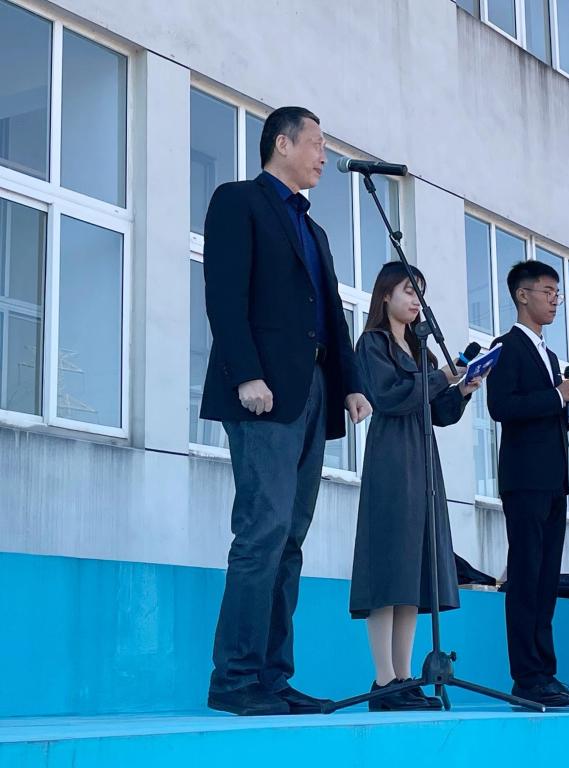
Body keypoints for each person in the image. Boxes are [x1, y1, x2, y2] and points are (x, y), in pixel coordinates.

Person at [201, 106, 373, 716]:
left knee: (291, 540)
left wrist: (350, 384)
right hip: (264, 392)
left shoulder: (313, 229)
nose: (325, 155)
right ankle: (235, 680)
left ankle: (274, 678)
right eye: (317, 143)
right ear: (282, 143)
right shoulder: (238, 201)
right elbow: (224, 294)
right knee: (263, 532)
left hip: (314, 392)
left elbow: (331, 315)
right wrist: (246, 372)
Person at [350, 262, 484, 711]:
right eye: (409, 290)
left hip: (424, 461)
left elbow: (439, 412)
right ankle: (383, 681)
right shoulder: (373, 343)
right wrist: (443, 377)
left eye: (420, 292)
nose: (415, 300)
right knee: (388, 568)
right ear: (385, 294)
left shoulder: (421, 349)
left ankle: (404, 678)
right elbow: (389, 397)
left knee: (412, 572)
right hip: (392, 458)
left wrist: (462, 389)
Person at [487, 260, 569, 708]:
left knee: (545, 580)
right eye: (548, 291)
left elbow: (555, 418)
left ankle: (545, 673)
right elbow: (502, 407)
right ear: (522, 295)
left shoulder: (551, 356)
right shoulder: (507, 347)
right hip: (524, 479)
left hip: (553, 481)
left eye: (558, 293)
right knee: (526, 576)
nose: (555, 301)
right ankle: (527, 677)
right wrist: (559, 394)